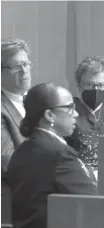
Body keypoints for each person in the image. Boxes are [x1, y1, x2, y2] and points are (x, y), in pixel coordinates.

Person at [7, 83, 104, 228]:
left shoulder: (22, 150)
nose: (76, 114)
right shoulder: (61, 155)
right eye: (69, 108)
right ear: (50, 116)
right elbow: (95, 207)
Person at [1, 38, 32, 174]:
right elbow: (6, 162)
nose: (24, 71)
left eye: (26, 64)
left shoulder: (38, 100)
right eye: (16, 66)